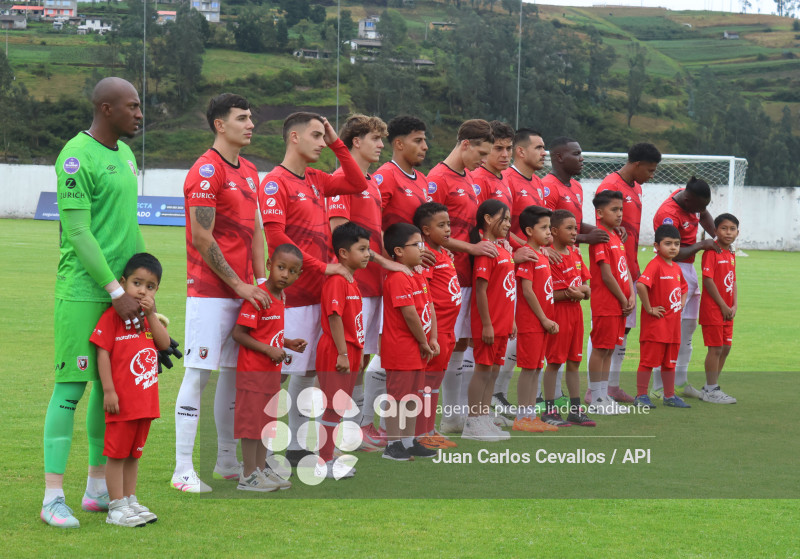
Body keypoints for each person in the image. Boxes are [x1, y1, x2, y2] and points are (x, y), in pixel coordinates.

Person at [42, 77, 144, 528]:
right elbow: (79, 233)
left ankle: (96, 487)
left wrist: (141, 287)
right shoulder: (74, 156)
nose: (140, 114)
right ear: (106, 108)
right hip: (86, 294)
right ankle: (51, 498)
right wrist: (114, 290)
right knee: (71, 389)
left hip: (121, 296)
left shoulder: (125, 154)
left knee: (111, 393)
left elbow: (128, 227)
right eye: (133, 106)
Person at [259, 112, 369, 467]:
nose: (323, 143)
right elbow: (276, 238)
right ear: (294, 137)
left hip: (315, 295)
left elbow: (357, 182)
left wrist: (339, 140)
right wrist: (324, 267)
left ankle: (292, 447)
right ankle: (252, 457)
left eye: (325, 137)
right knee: (275, 377)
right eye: (317, 135)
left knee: (305, 373)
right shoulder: (275, 182)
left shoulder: (317, 179)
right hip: (289, 296)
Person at [173, 93, 268, 493]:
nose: (250, 124)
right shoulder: (206, 171)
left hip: (243, 289)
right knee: (199, 374)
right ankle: (182, 471)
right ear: (219, 124)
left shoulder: (248, 169)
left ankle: (227, 461)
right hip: (211, 291)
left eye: (251, 117)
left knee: (232, 375)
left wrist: (262, 283)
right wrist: (239, 284)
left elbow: (258, 231)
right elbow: (201, 235)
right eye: (242, 118)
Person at [326, 115, 406, 450]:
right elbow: (338, 236)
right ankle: (333, 434)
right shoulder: (340, 180)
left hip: (373, 286)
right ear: (355, 141)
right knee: (341, 362)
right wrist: (388, 263)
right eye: (375, 138)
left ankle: (354, 429)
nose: (381, 145)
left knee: (360, 360)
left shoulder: (370, 182)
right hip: (349, 285)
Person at [360, 115, 432, 447]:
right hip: (379, 279)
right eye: (418, 140)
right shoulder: (385, 177)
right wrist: (391, 264)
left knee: (381, 354)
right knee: (368, 354)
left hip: (406, 279)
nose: (425, 146)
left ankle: (372, 424)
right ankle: (361, 423)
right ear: (399, 144)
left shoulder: (420, 179)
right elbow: (371, 229)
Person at [427, 119, 498, 434]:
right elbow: (430, 233)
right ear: (465, 144)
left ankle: (454, 416)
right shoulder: (437, 179)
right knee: (439, 346)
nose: (483, 161)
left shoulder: (471, 178)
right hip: (444, 276)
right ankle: (425, 422)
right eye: (481, 152)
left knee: (461, 344)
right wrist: (471, 247)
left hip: (468, 275)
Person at [90, 253, 170, 526]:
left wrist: (151, 313)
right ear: (123, 283)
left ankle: (130, 499)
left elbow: (163, 344)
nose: (143, 290)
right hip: (121, 402)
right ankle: (116, 506)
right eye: (137, 283)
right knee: (117, 454)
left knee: (134, 454)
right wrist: (109, 391)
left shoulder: (148, 317)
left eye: (150, 286)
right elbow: (102, 353)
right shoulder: (113, 316)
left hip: (145, 403)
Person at [587, 143, 662, 404]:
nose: (651, 176)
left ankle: (612, 386)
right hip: (612, 269)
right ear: (637, 164)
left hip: (627, 265)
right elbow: (602, 229)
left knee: (623, 329)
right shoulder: (610, 185)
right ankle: (594, 390)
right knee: (603, 332)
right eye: (650, 170)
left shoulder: (637, 188)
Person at [231, 243, 305, 492]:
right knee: (251, 426)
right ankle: (248, 475)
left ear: (298, 275)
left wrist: (287, 342)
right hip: (253, 374)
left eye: (292, 271)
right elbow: (239, 334)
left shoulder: (280, 297)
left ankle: (261, 470)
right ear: (269, 266)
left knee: (265, 426)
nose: (285, 274)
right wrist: (269, 350)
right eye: (281, 268)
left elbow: (268, 332)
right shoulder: (259, 297)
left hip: (270, 377)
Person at [493, 128, 547, 413]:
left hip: (533, 266)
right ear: (521, 151)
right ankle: (494, 395)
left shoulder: (537, 183)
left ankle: (511, 394)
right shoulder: (508, 180)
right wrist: (518, 250)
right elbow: (503, 228)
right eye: (538, 147)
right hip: (510, 268)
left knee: (524, 334)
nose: (543, 153)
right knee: (512, 333)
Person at [650, 176, 718, 400]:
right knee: (667, 330)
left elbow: (704, 214)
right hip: (671, 269)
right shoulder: (667, 215)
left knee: (687, 331)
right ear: (688, 200)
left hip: (688, 270)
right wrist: (702, 244)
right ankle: (659, 387)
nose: (701, 210)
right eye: (699, 206)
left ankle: (680, 383)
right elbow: (672, 251)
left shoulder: (692, 200)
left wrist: (716, 235)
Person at [315, 222, 371, 478]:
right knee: (332, 407)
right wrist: (343, 353)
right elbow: (334, 317)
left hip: (350, 349)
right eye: (362, 249)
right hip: (338, 349)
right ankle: (323, 461)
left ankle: (329, 455)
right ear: (344, 253)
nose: (368, 254)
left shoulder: (350, 279)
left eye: (368, 249)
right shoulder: (337, 280)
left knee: (337, 407)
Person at [380, 223, 439, 461]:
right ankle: (392, 444)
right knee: (397, 397)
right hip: (401, 348)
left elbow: (430, 306)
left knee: (413, 395)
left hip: (418, 347)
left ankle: (408, 440)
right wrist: (424, 341)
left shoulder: (417, 274)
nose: (422, 249)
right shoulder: (397, 277)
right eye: (416, 245)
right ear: (399, 251)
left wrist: (432, 337)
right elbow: (410, 314)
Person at [462, 200, 514, 442]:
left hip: (503, 322)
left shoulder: (502, 249)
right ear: (487, 219)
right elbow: (481, 290)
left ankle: (484, 418)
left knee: (493, 371)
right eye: (503, 219)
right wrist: (486, 325)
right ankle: (472, 422)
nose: (508, 224)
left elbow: (507, 289)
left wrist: (511, 320)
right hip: (490, 322)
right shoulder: (486, 249)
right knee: (483, 369)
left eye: (509, 220)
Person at [412, 202, 461, 449]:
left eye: (449, 224)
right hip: (437, 330)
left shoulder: (442, 253)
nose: (448, 229)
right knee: (427, 384)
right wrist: (430, 332)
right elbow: (424, 294)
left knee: (434, 383)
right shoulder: (427, 257)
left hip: (449, 329)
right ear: (425, 230)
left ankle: (430, 429)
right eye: (441, 225)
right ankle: (422, 433)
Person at [543, 210, 595, 426]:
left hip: (576, 314)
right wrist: (568, 294)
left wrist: (582, 290)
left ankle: (575, 410)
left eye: (576, 228)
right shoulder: (548, 257)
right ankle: (549, 410)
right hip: (559, 314)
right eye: (569, 228)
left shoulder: (575, 253)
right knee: (554, 362)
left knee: (574, 362)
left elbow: (588, 288)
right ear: (554, 231)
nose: (575, 232)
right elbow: (546, 293)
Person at [587, 190, 635, 415]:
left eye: (621, 210)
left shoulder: (616, 236)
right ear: (599, 212)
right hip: (606, 304)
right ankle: (596, 397)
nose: (619, 214)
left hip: (619, 304)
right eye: (614, 210)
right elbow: (606, 275)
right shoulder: (601, 237)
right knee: (601, 349)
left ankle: (603, 395)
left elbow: (623, 270)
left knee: (609, 351)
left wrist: (631, 296)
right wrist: (624, 298)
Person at [513, 206, 560, 432]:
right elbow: (527, 290)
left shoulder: (542, 254)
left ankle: (531, 415)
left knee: (536, 367)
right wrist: (542, 318)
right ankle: (522, 417)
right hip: (531, 322)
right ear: (530, 230)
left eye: (550, 228)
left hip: (542, 322)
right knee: (528, 368)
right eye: (544, 228)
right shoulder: (528, 254)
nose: (549, 232)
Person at [633, 225, 690, 409]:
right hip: (656, 327)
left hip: (673, 327)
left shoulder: (676, 268)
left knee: (669, 363)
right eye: (668, 244)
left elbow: (684, 287)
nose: (673, 247)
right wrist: (649, 308)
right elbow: (641, 285)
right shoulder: (655, 264)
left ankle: (669, 396)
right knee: (648, 362)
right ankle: (641, 396)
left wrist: (681, 302)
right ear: (657, 246)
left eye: (676, 244)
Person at [699, 213, 739, 404]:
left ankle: (710, 386)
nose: (728, 232)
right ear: (715, 231)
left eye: (732, 229)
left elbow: (733, 280)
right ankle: (711, 389)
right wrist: (723, 305)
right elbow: (708, 280)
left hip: (727, 311)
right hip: (713, 310)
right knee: (714, 349)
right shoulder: (712, 252)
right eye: (724, 228)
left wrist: (734, 304)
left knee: (726, 347)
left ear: (738, 232)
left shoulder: (731, 253)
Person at [542, 137, 609, 245]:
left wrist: (606, 232)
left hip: (573, 256)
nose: (581, 158)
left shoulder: (576, 186)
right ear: (560, 157)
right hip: (556, 258)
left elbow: (578, 224)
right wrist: (585, 238)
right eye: (576, 154)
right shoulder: (548, 187)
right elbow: (546, 230)